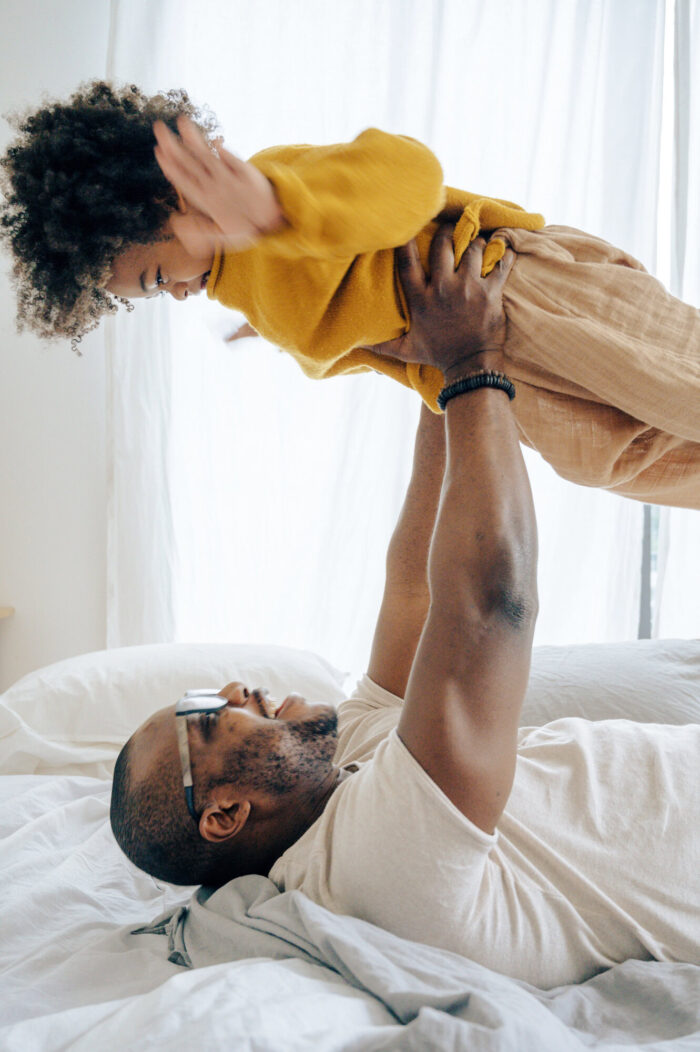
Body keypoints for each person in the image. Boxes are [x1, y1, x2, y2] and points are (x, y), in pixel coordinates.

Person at [110, 232, 700, 990]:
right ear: (223, 814)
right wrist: (472, 366)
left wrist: (427, 370)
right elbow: (491, 605)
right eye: (209, 716)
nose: (235, 691)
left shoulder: (334, 768)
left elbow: (417, 589)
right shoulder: (372, 862)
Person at [2, 82, 699, 508]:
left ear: (169, 194)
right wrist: (275, 324)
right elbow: (333, 315)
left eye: (158, 278)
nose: (177, 294)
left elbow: (408, 175)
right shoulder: (235, 283)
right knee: (617, 459)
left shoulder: (272, 187)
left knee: (677, 384)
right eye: (151, 296)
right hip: (487, 365)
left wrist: (277, 208)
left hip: (514, 291)